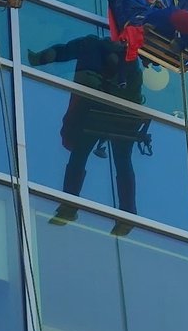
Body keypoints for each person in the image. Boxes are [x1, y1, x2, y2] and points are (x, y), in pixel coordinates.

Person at [28, 34, 148, 232]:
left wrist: (40, 59)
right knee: (121, 159)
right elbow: (132, 89)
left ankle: (70, 205)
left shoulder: (91, 44)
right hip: (119, 115)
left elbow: (63, 51)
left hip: (98, 110)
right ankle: (127, 213)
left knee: (81, 155)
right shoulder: (127, 56)